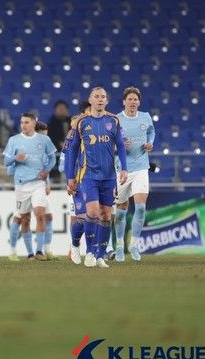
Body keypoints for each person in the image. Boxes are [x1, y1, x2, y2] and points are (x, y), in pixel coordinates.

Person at [65, 87, 128, 268]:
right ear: (90, 100)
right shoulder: (81, 122)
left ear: (106, 101)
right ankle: (87, 250)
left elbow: (121, 145)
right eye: (97, 96)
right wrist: (70, 177)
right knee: (91, 213)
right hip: (88, 176)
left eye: (103, 97)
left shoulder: (114, 120)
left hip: (109, 176)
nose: (100, 99)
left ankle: (100, 256)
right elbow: (72, 151)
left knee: (106, 216)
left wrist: (124, 169)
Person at [4, 113, 56, 261]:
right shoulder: (14, 140)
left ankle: (40, 251)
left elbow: (52, 158)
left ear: (33, 123)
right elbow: (6, 162)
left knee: (40, 214)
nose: (23, 125)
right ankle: (29, 253)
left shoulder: (44, 139)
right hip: (21, 185)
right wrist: (15, 158)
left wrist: (46, 170)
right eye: (22, 122)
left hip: (38, 184)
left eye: (26, 122)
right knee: (25, 219)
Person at [114, 86, 155, 262]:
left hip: (141, 168)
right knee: (121, 211)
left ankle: (134, 245)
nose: (132, 102)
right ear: (124, 101)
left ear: (139, 102)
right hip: (122, 169)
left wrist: (150, 143)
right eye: (129, 99)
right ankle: (119, 246)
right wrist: (119, 145)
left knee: (140, 207)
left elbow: (151, 132)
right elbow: (109, 143)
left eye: (135, 99)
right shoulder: (116, 119)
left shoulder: (145, 117)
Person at [60, 101, 91, 265]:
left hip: (98, 179)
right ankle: (74, 246)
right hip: (79, 180)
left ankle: (95, 251)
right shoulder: (74, 131)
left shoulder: (101, 128)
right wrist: (69, 179)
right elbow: (66, 158)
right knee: (79, 217)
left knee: (99, 216)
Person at [34, 121, 55, 259]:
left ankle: (45, 250)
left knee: (47, 217)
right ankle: (38, 251)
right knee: (23, 219)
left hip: (41, 185)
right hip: (32, 186)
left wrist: (47, 182)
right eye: (44, 135)